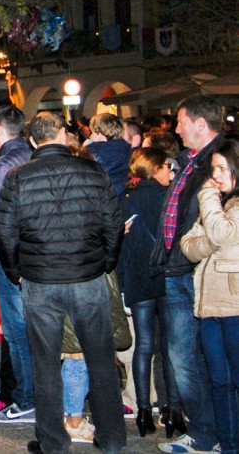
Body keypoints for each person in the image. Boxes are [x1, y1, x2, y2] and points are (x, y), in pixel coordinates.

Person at [0, 110, 125, 454]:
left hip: (41, 281)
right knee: (100, 359)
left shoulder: (17, 177)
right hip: (87, 277)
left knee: (46, 364)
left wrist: (15, 273)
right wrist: (104, 263)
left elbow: (5, 234)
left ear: (33, 141)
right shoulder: (94, 172)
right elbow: (113, 224)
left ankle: (53, 442)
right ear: (64, 136)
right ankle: (111, 438)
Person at [158, 94, 227, 454]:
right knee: (184, 356)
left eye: (182, 122)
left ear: (201, 124)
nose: (176, 128)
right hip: (178, 268)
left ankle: (215, 434)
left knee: (199, 357)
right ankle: (206, 432)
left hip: (201, 271)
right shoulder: (190, 161)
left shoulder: (221, 160)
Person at [180, 138, 239, 454]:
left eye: (221, 168)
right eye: (212, 168)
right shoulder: (217, 205)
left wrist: (206, 196)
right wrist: (212, 240)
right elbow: (189, 245)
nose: (214, 176)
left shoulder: (218, 201)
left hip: (235, 305)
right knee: (219, 382)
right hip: (209, 304)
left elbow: (219, 233)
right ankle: (228, 445)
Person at [0, 104, 36, 426]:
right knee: (30, 331)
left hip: (10, 257)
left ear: (0, 129)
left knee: (16, 333)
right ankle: (28, 396)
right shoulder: (32, 156)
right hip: (35, 256)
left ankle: (26, 399)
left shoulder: (3, 165)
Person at [119, 147, 178, 438]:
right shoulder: (170, 199)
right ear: (155, 169)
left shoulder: (127, 201)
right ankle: (171, 408)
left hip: (139, 281)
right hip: (167, 280)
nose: (171, 171)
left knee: (144, 345)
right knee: (169, 346)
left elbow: (120, 249)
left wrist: (121, 286)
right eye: (167, 166)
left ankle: (144, 411)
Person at [88, 113, 133, 199]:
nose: (90, 136)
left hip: (99, 198)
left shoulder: (91, 152)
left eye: (92, 132)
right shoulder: (129, 151)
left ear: (99, 134)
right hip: (123, 197)